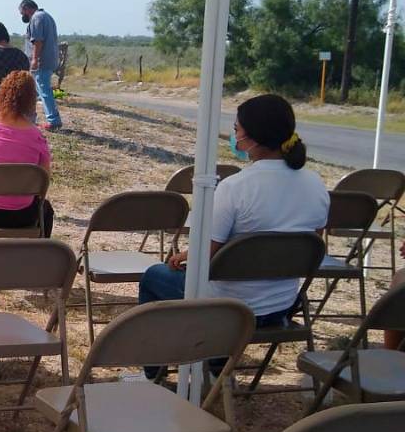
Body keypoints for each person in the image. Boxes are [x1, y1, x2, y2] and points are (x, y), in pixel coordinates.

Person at [137, 94, 329, 379]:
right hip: (282, 306)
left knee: (154, 276)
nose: (234, 136)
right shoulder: (316, 184)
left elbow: (207, 255)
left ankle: (153, 374)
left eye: (236, 129)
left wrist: (185, 256)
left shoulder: (234, 188)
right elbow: (305, 248)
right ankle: (215, 367)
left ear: (252, 138)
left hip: (229, 310)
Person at [0, 71, 55, 241]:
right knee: (46, 211)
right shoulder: (37, 137)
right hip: (20, 216)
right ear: (31, 100)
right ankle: (36, 255)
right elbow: (43, 183)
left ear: (1, 92)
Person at [19, 0, 63, 130]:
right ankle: (30, 117)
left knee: (44, 90)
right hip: (49, 59)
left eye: (22, 12)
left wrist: (35, 59)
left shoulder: (36, 18)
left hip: (42, 61)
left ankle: (53, 120)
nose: (22, 16)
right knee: (37, 90)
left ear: (26, 9)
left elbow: (38, 41)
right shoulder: (46, 16)